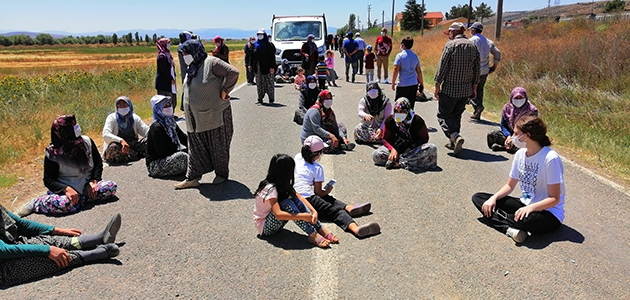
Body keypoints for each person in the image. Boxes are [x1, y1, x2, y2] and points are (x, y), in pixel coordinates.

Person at [472, 116, 565, 244]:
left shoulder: (550, 158)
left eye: (516, 133)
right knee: (479, 199)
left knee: (525, 220)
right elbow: (509, 186)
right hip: (525, 204)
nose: (512, 136)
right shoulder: (520, 154)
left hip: (548, 213)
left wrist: (531, 208)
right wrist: (493, 198)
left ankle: (503, 221)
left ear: (527, 135)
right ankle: (509, 229)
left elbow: (554, 198)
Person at [17, 115, 117, 216]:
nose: (77, 128)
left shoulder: (87, 142)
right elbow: (49, 180)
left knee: (110, 187)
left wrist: (93, 181)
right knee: (64, 204)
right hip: (66, 189)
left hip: (87, 185)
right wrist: (66, 189)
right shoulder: (53, 154)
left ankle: (80, 200)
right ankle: (37, 203)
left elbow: (98, 163)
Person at [174, 39, 239, 189]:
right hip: (195, 118)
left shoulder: (212, 63)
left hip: (215, 114)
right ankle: (192, 177)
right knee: (195, 147)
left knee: (218, 145)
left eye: (186, 53)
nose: (184, 56)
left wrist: (225, 91)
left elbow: (233, 72)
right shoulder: (192, 67)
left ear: (194, 51)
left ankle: (221, 174)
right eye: (183, 54)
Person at [0, 209, 121, 287]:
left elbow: (20, 224)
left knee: (44, 241)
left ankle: (97, 239)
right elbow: (3, 250)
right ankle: (99, 253)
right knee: (41, 259)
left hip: (12, 244)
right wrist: (47, 251)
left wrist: (56, 230)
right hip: (3, 269)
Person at [294, 136, 381, 238]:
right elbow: (319, 193)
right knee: (334, 211)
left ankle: (349, 208)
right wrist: (327, 190)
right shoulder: (317, 168)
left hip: (294, 196)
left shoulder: (298, 157)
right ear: (318, 154)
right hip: (306, 200)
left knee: (327, 199)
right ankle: (356, 229)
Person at [253, 154, 335, 248]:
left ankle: (320, 228)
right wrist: (302, 216)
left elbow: (299, 197)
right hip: (265, 228)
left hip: (275, 223)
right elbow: (278, 214)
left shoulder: (282, 184)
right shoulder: (271, 189)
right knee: (287, 204)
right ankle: (312, 234)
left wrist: (313, 211)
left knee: (294, 198)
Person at [434, 22, 480, 157]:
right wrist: (474, 88)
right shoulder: (473, 46)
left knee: (443, 114)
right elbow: (476, 70)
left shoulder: (450, 45)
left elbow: (442, 68)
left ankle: (453, 135)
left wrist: (437, 85)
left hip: (450, 89)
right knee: (456, 114)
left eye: (449, 32)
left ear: (453, 32)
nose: (448, 35)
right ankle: (453, 141)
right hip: (465, 90)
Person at [372, 98, 438, 171]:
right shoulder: (390, 120)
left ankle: (399, 163)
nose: (399, 114)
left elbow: (424, 138)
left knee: (432, 148)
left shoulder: (417, 121)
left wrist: (411, 148)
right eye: (396, 111)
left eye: (402, 111)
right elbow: (385, 138)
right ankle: (408, 161)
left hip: (413, 150)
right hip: (396, 149)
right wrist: (392, 149)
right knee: (376, 155)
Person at [145, 95, 189, 178]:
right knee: (183, 157)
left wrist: (195, 148)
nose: (168, 108)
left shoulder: (171, 123)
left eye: (169, 105)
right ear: (158, 109)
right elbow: (162, 152)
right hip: (156, 164)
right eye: (165, 106)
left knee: (194, 152)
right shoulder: (156, 127)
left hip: (171, 157)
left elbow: (183, 138)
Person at [487, 87, 539, 153]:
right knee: (492, 135)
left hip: (524, 136)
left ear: (525, 98)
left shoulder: (532, 110)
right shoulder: (507, 108)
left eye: (521, 98)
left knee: (521, 145)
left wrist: (515, 138)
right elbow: (503, 125)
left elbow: (531, 129)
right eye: (516, 98)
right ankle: (508, 145)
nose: (518, 100)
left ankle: (507, 147)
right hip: (511, 134)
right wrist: (508, 136)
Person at [101, 96, 150, 164]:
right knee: (113, 148)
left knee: (150, 140)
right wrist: (121, 141)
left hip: (132, 145)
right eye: (120, 105)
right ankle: (133, 155)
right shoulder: (111, 118)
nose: (122, 107)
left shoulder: (135, 118)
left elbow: (145, 131)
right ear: (117, 107)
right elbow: (105, 134)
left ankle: (130, 155)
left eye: (125, 104)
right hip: (119, 146)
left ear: (129, 105)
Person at [468, 22, 501, 120]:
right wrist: (494, 66)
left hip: (473, 70)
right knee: (480, 90)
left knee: (468, 90)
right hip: (484, 70)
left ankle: (477, 105)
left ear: (473, 30)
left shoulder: (470, 41)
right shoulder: (488, 41)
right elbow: (497, 53)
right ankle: (477, 113)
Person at [391, 36, 424, 110]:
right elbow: (419, 71)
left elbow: (396, 70)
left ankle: (399, 120)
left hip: (403, 84)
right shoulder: (415, 56)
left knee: (399, 106)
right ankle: (410, 120)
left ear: (402, 45)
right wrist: (421, 83)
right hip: (413, 84)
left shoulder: (400, 56)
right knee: (410, 106)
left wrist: (393, 83)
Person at [249, 28, 277, 104]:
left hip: (267, 67)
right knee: (259, 83)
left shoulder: (269, 45)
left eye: (261, 34)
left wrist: (272, 67)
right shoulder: (255, 45)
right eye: (258, 34)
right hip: (257, 67)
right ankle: (260, 98)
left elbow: (272, 57)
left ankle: (271, 99)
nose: (259, 36)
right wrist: (250, 65)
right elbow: (252, 56)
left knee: (269, 83)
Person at [155, 38, 177, 110]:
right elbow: (164, 69)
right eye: (167, 43)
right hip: (164, 82)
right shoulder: (162, 56)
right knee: (165, 99)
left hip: (169, 80)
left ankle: (170, 113)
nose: (169, 45)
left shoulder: (167, 54)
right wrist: (171, 78)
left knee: (172, 98)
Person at [177, 31, 193, 111]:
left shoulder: (181, 46)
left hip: (185, 68)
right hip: (186, 68)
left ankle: (184, 105)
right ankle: (184, 105)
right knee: (187, 85)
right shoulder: (183, 47)